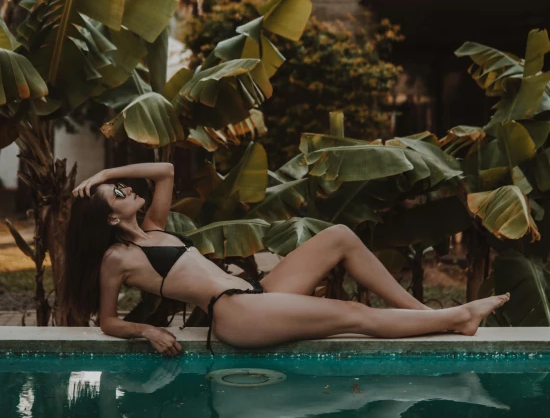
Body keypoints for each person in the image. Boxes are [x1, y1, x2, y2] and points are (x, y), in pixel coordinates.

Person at [64, 162, 510, 357]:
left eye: (123, 186)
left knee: (339, 236)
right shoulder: (117, 257)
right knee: (353, 313)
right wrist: (147, 330)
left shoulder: (155, 227)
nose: (127, 190)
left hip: (256, 296)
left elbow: (166, 170)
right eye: (117, 194)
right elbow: (107, 320)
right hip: (235, 314)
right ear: (107, 218)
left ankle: (430, 314)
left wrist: (105, 174)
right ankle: (459, 317)